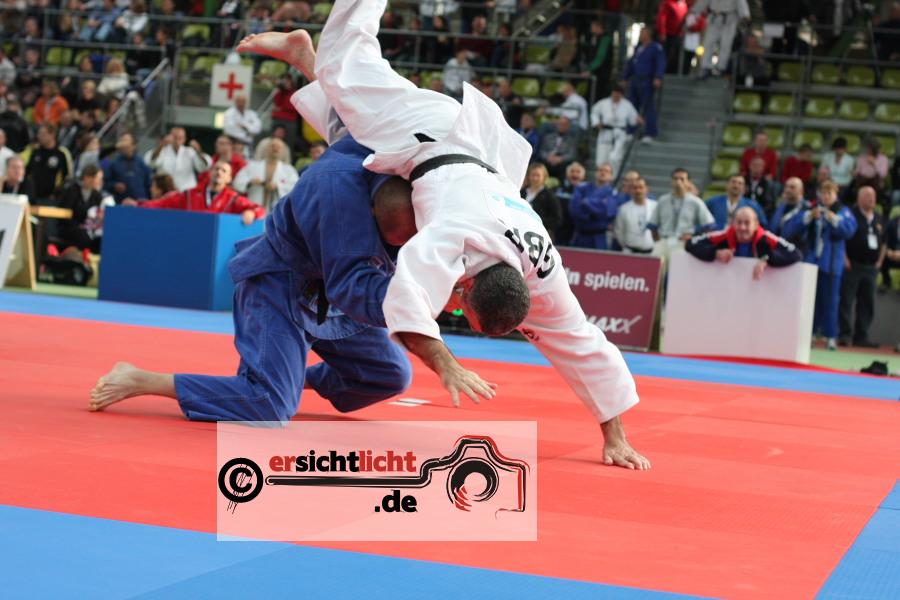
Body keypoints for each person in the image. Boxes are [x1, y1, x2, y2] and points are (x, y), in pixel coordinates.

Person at [237, 8, 650, 469]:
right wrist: (445, 362)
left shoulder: (541, 269)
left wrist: (615, 437)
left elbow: (581, 343)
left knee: (357, 129)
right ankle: (332, 39)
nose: (455, 310)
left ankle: (302, 57)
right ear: (468, 288)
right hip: (429, 128)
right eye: (463, 311)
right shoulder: (454, 236)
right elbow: (407, 296)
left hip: (471, 152)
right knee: (347, 65)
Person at [91, 135, 418, 423]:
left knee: (390, 374)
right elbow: (358, 287)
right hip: (279, 284)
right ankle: (143, 380)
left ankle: (283, 379)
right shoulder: (334, 182)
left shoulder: (410, 174)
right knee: (269, 406)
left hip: (331, 299)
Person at [782, 180, 857, 350]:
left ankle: (830, 336)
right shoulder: (812, 209)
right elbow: (789, 229)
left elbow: (849, 231)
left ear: (835, 195)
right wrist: (809, 217)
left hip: (831, 263)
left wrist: (833, 219)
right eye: (823, 193)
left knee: (830, 301)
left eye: (829, 193)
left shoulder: (842, 211)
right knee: (809, 301)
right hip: (811, 262)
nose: (826, 196)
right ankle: (808, 334)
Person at [123, 161, 265, 225]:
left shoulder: (233, 198)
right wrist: (137, 204)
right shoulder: (190, 195)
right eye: (216, 169)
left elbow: (259, 210)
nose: (219, 172)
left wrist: (251, 213)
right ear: (209, 172)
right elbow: (162, 204)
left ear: (229, 178)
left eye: (224, 171)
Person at [685, 206, 802, 278]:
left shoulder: (766, 237)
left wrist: (768, 259)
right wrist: (715, 253)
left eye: (747, 223)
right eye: (739, 222)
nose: (742, 227)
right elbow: (691, 243)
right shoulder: (725, 235)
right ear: (733, 223)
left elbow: (795, 253)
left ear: (756, 224)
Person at [839, 187, 885, 348]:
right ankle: (844, 335)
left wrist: (880, 261)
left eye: (873, 195)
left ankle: (861, 336)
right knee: (846, 300)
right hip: (853, 264)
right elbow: (842, 238)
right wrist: (844, 257)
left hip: (871, 267)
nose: (871, 198)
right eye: (867, 195)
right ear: (859, 198)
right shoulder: (850, 215)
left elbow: (884, 242)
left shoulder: (878, 218)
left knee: (867, 303)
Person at [648, 168, 715, 250]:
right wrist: (657, 241)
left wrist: (694, 237)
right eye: (675, 179)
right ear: (671, 181)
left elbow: (709, 226)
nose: (678, 182)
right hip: (663, 241)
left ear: (689, 182)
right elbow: (653, 225)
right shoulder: (663, 200)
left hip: (683, 243)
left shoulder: (696, 202)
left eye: (682, 179)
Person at [620, 27, 665, 144]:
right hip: (635, 80)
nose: (641, 35)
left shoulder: (656, 48)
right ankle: (631, 131)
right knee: (632, 106)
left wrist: (658, 77)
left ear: (649, 34)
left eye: (643, 33)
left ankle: (650, 133)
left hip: (647, 80)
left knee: (648, 106)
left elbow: (660, 63)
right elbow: (631, 64)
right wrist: (625, 78)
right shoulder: (638, 48)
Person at [233, 137, 299, 211]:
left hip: (277, 211)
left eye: (279, 147)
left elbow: (296, 189)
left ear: (283, 151)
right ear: (267, 148)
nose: (275, 149)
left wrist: (277, 186)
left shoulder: (289, 170)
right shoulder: (252, 166)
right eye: (273, 146)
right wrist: (250, 182)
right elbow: (237, 182)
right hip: (254, 209)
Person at [57, 164, 111, 254]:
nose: (100, 182)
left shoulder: (96, 195)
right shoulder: (72, 190)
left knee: (100, 238)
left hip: (89, 228)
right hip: (69, 228)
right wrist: (79, 226)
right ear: (87, 177)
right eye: (98, 178)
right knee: (83, 236)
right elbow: (64, 214)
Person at [590, 85, 640, 175]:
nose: (616, 96)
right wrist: (596, 122)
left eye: (618, 94)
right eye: (614, 94)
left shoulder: (627, 105)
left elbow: (633, 119)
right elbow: (594, 112)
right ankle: (601, 177)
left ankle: (613, 178)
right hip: (605, 131)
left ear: (621, 95)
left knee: (615, 158)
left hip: (619, 133)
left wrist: (637, 120)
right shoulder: (603, 102)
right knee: (601, 158)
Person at [691, 0, 749, 78]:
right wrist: (695, 11)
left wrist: (745, 15)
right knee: (708, 43)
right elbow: (703, 1)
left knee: (725, 45)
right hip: (714, 19)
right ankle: (705, 67)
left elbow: (741, 3)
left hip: (729, 20)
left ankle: (720, 68)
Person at [144, 127, 211, 191]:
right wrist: (162, 145)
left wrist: (198, 151)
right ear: (169, 137)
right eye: (175, 137)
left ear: (184, 139)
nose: (177, 140)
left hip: (186, 191)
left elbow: (203, 167)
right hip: (166, 191)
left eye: (180, 137)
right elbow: (150, 163)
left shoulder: (190, 152)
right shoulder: (163, 150)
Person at [569, 163, 619, 249]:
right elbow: (575, 210)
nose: (603, 173)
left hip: (598, 237)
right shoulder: (582, 188)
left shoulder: (612, 193)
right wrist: (599, 205)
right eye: (600, 170)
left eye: (606, 171)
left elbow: (608, 212)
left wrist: (586, 202)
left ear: (611, 176)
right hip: (580, 235)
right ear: (596, 173)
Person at [24, 124, 73, 201]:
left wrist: (56, 194)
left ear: (52, 135)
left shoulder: (62, 154)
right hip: (33, 196)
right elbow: (27, 171)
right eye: (39, 133)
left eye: (43, 134)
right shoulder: (35, 151)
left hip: (51, 197)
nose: (39, 136)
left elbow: (67, 177)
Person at [104, 133, 153, 203]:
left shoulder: (141, 163)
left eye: (126, 141)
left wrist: (149, 201)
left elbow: (149, 184)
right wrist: (114, 185)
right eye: (122, 141)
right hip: (121, 204)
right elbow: (106, 183)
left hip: (140, 204)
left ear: (134, 145)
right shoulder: (113, 163)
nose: (124, 144)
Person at [613, 177, 656, 254]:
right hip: (629, 252)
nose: (638, 190)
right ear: (631, 190)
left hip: (651, 252)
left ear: (647, 189)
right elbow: (619, 231)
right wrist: (625, 245)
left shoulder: (655, 206)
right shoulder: (624, 208)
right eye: (635, 188)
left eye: (641, 187)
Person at [520, 163, 562, 241]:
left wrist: (537, 221)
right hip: (520, 231)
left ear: (544, 177)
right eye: (533, 175)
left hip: (540, 236)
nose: (535, 178)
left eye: (538, 175)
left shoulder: (549, 196)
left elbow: (557, 219)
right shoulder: (521, 192)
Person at [553, 161, 586, 244]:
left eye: (578, 172)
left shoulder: (589, 192)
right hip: (560, 234)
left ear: (583, 176)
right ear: (567, 174)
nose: (575, 174)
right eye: (572, 171)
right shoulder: (558, 190)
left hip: (581, 234)